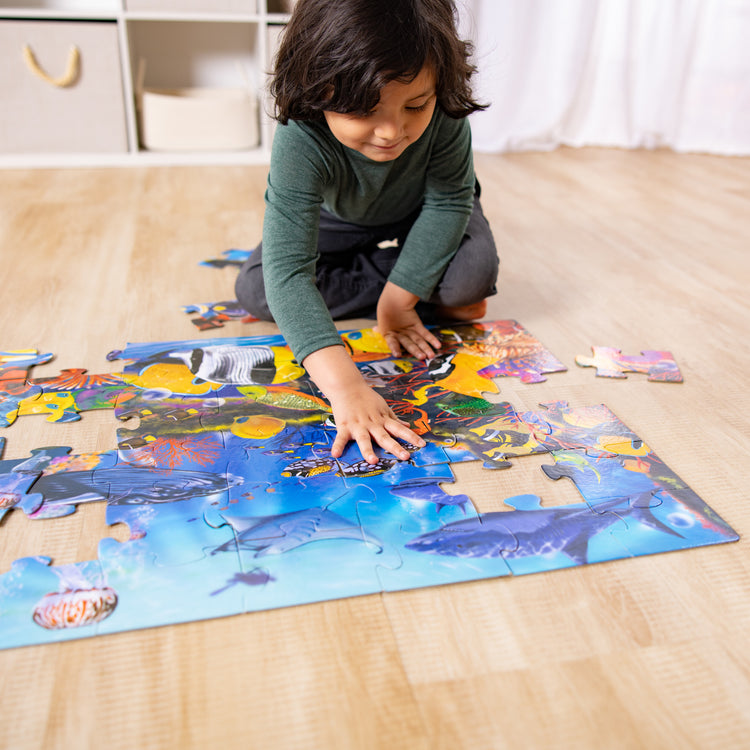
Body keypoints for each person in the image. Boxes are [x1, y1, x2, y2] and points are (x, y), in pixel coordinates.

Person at [235, 0, 499, 465]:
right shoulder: (301, 134)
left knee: (472, 276)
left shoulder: (444, 112)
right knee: (256, 289)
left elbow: (448, 203)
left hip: (424, 210)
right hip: (339, 218)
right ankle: (404, 278)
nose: (391, 132)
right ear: (316, 89)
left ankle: (405, 284)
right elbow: (288, 269)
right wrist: (344, 384)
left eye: (416, 105)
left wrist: (398, 303)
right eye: (364, 111)